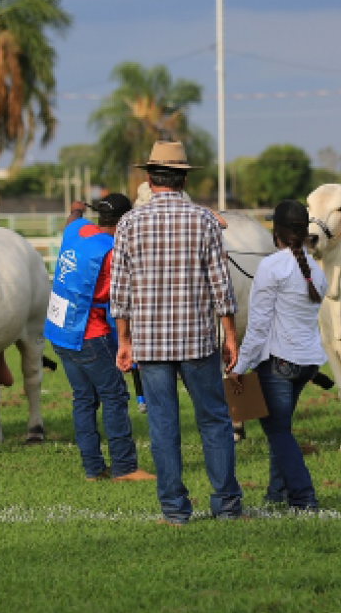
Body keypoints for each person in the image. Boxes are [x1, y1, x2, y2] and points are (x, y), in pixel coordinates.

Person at [111, 140, 243, 525]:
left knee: (163, 425)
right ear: (184, 178)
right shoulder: (204, 221)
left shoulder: (129, 223)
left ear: (150, 179)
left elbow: (120, 293)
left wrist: (123, 340)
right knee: (214, 421)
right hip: (197, 340)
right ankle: (227, 506)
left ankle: (174, 510)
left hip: (150, 344)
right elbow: (222, 287)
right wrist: (230, 336)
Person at [45, 193, 156, 484]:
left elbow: (73, 219)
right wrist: (126, 341)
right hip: (90, 333)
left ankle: (93, 470)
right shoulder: (113, 251)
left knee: (83, 399)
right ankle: (124, 467)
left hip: (59, 333)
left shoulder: (76, 229)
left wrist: (76, 208)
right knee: (114, 396)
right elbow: (120, 302)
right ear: (124, 221)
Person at [227, 200, 326, 511]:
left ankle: (303, 495)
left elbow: (257, 328)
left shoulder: (271, 267)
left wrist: (238, 367)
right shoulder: (315, 271)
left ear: (277, 232)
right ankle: (276, 492)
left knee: (279, 433)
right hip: (307, 363)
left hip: (280, 363)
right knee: (281, 428)